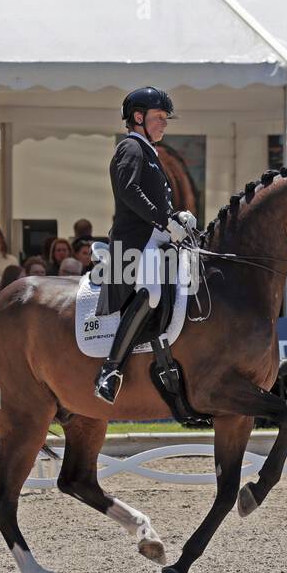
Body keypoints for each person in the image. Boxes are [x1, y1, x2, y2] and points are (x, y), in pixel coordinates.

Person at [93, 86, 194, 403]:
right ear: (139, 117)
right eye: (159, 117)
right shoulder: (131, 149)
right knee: (151, 291)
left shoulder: (148, 152)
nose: (164, 124)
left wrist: (176, 217)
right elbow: (129, 191)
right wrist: (165, 221)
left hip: (155, 241)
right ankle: (111, 370)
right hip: (135, 244)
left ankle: (165, 359)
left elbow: (153, 203)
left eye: (166, 118)